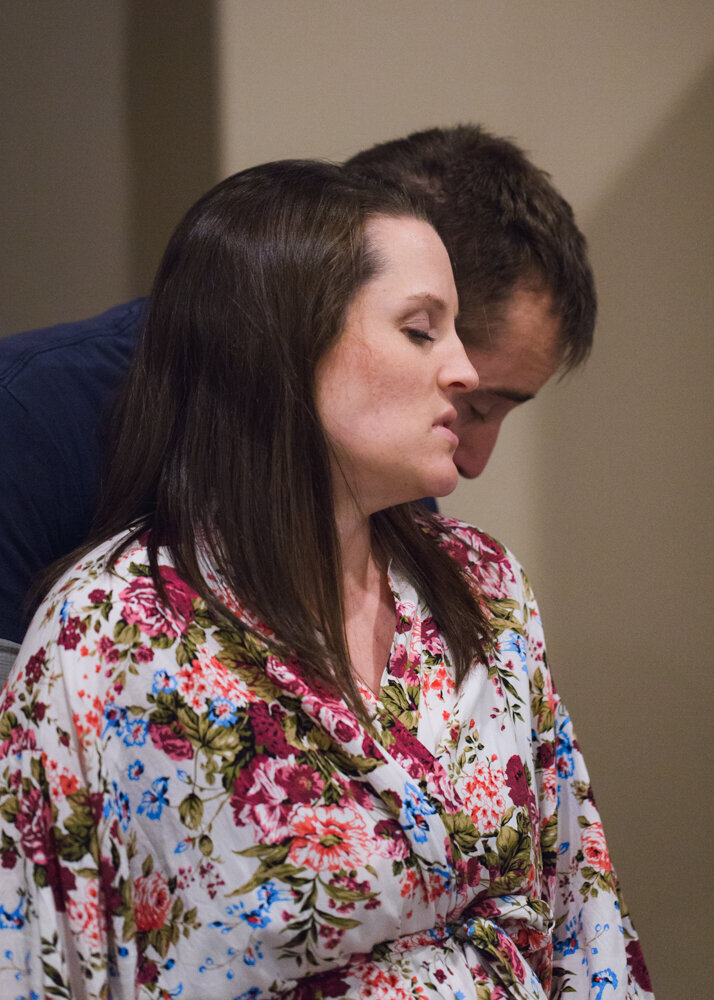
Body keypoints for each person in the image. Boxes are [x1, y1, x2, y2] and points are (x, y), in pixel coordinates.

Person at [0, 160, 651, 998]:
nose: (458, 369)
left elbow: (581, 909)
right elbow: (40, 961)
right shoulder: (107, 634)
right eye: (421, 330)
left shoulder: (483, 585)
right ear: (284, 342)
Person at [0, 123, 595, 670]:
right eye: (421, 331)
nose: (474, 460)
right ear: (311, 307)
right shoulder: (99, 607)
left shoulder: (476, 577)